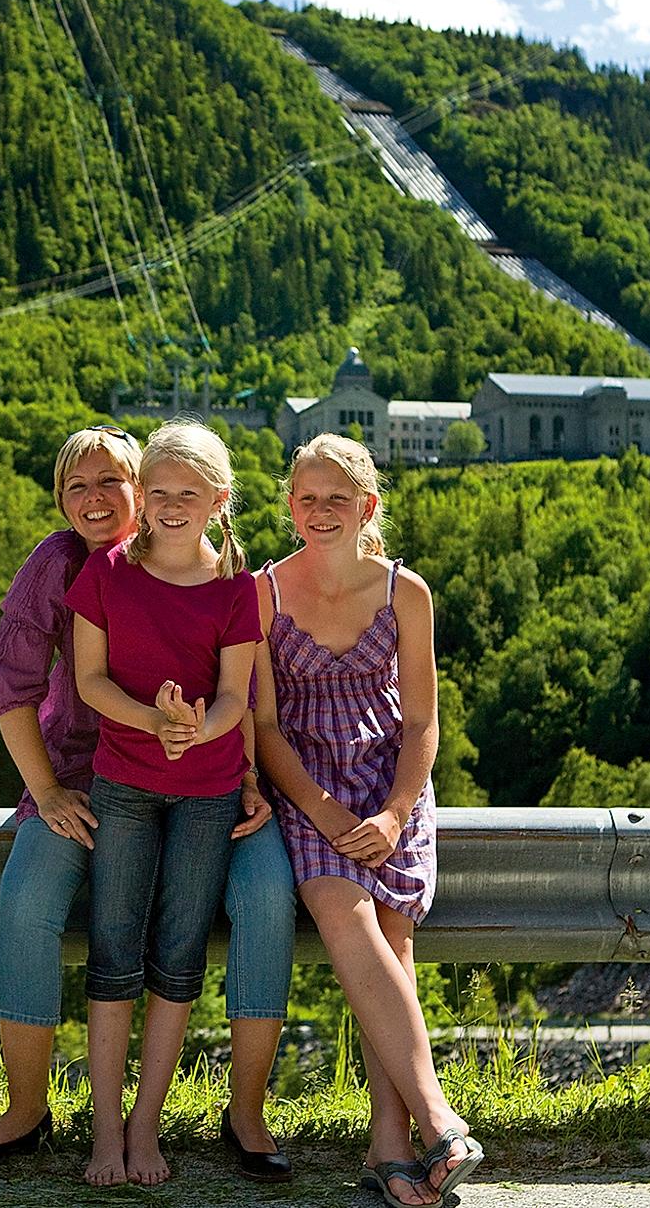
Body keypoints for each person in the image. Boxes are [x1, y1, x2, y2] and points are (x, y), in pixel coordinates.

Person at [0, 425, 294, 1183]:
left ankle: (246, 1112)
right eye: (76, 486)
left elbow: (248, 697)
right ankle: (28, 1108)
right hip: (78, 772)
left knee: (265, 894)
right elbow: (10, 688)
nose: (95, 500)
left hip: (212, 776)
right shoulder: (67, 565)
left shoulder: (219, 571)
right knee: (31, 894)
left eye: (112, 483)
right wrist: (44, 792)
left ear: (147, 489)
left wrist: (253, 778)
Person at [251, 434, 481, 1208]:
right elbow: (265, 728)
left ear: (367, 508)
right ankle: (438, 1122)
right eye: (307, 499)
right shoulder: (265, 593)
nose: (321, 513)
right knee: (344, 912)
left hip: (391, 779)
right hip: (306, 780)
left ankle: (391, 1143)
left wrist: (390, 813)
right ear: (290, 507)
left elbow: (422, 722)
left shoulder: (403, 592)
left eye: (337, 500)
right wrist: (319, 808)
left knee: (395, 931)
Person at [62, 420, 262, 1187]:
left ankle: (147, 1129)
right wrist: (156, 722)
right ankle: (105, 1133)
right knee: (113, 956)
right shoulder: (107, 572)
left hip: (206, 797)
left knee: (176, 961)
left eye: (190, 493)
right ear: (140, 497)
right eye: (160, 492)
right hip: (124, 788)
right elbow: (90, 681)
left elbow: (236, 697)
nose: (173, 506)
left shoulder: (237, 589)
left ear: (218, 501)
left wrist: (195, 731)